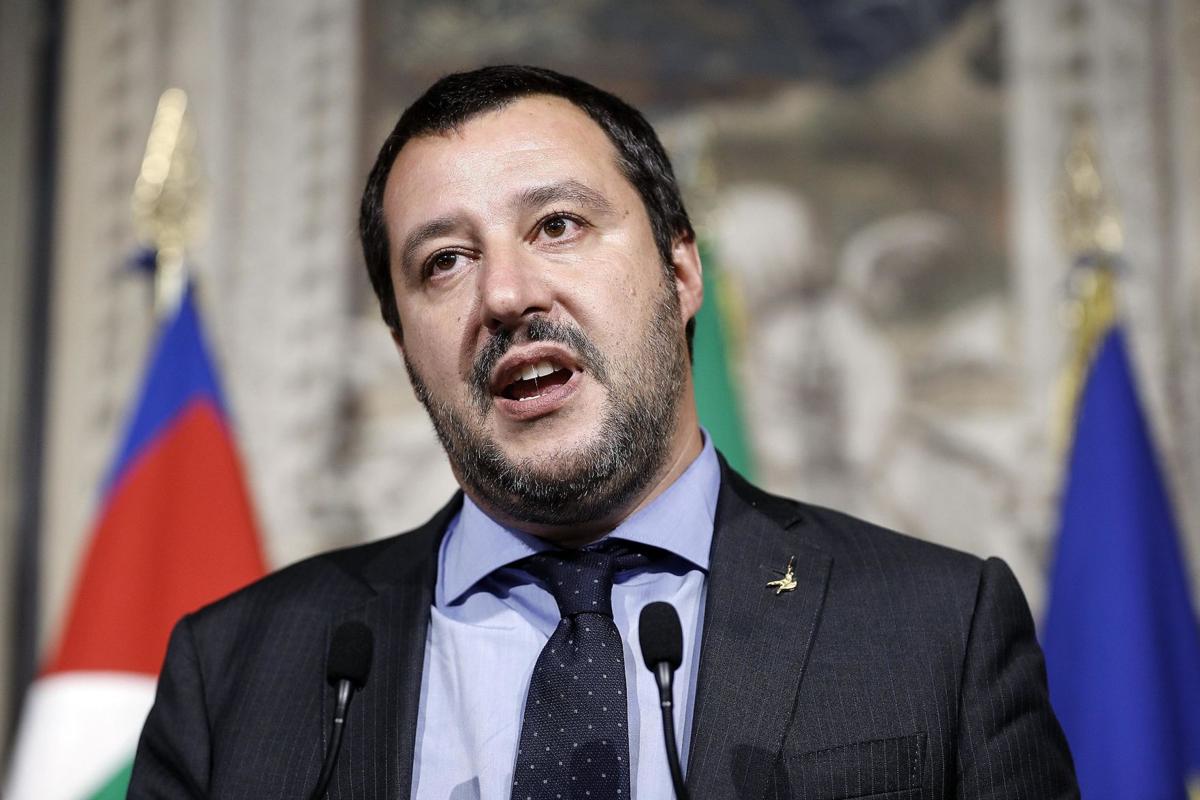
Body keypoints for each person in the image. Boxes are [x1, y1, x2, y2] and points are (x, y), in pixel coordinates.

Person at [129, 65, 1078, 800]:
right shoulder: (238, 673)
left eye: (557, 225)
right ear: (403, 344)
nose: (506, 294)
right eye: (445, 261)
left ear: (681, 273)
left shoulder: (935, 629)